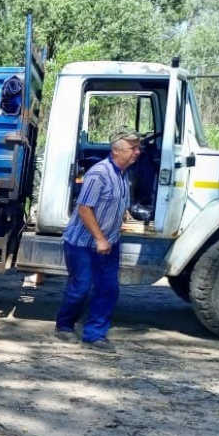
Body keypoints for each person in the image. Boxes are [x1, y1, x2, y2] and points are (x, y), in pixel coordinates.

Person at [54, 129, 142, 351]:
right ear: (116, 150)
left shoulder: (123, 174)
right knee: (81, 287)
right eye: (132, 148)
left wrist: (123, 213)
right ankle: (64, 326)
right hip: (83, 243)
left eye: (137, 147)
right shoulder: (98, 173)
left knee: (108, 289)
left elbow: (114, 200)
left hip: (109, 242)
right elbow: (84, 208)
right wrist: (100, 238)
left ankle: (95, 334)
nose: (137, 152)